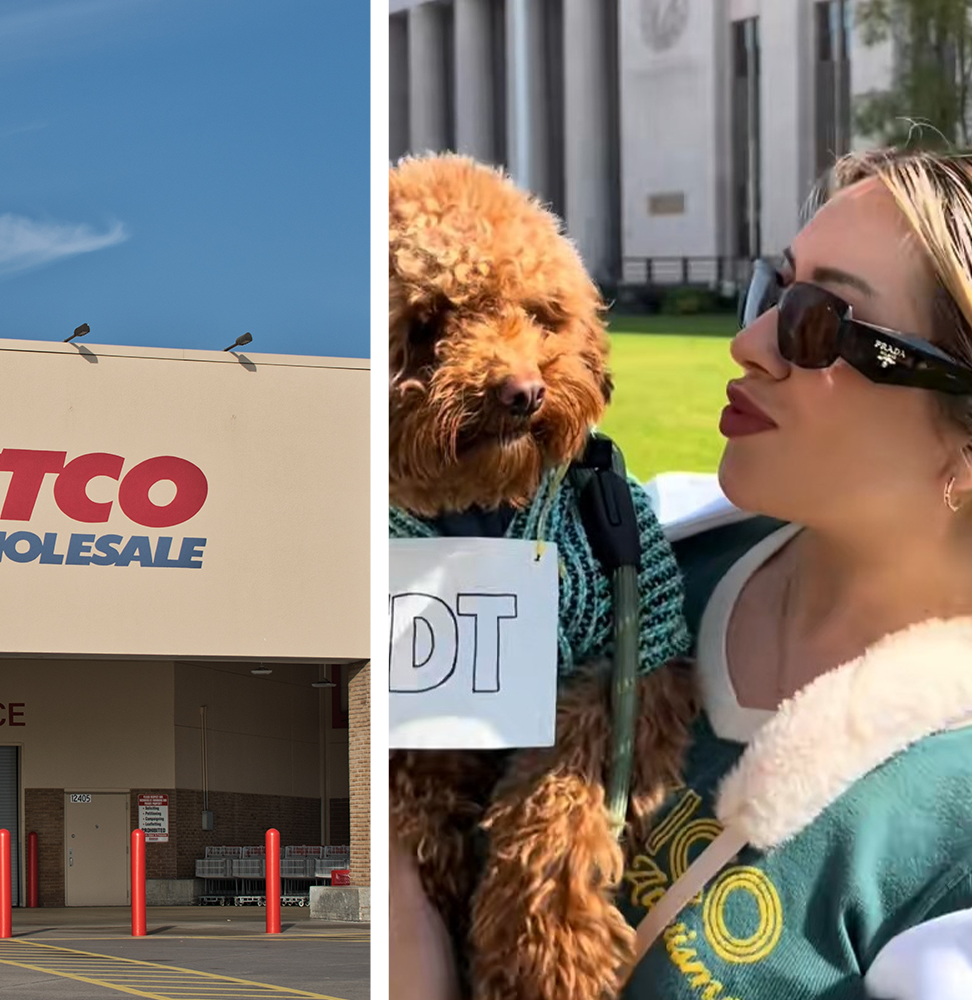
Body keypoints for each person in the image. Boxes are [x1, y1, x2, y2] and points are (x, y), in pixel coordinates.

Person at [392, 146, 972, 999]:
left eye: (819, 323)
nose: (747, 344)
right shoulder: (624, 548)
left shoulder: (946, 844)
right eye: (772, 291)